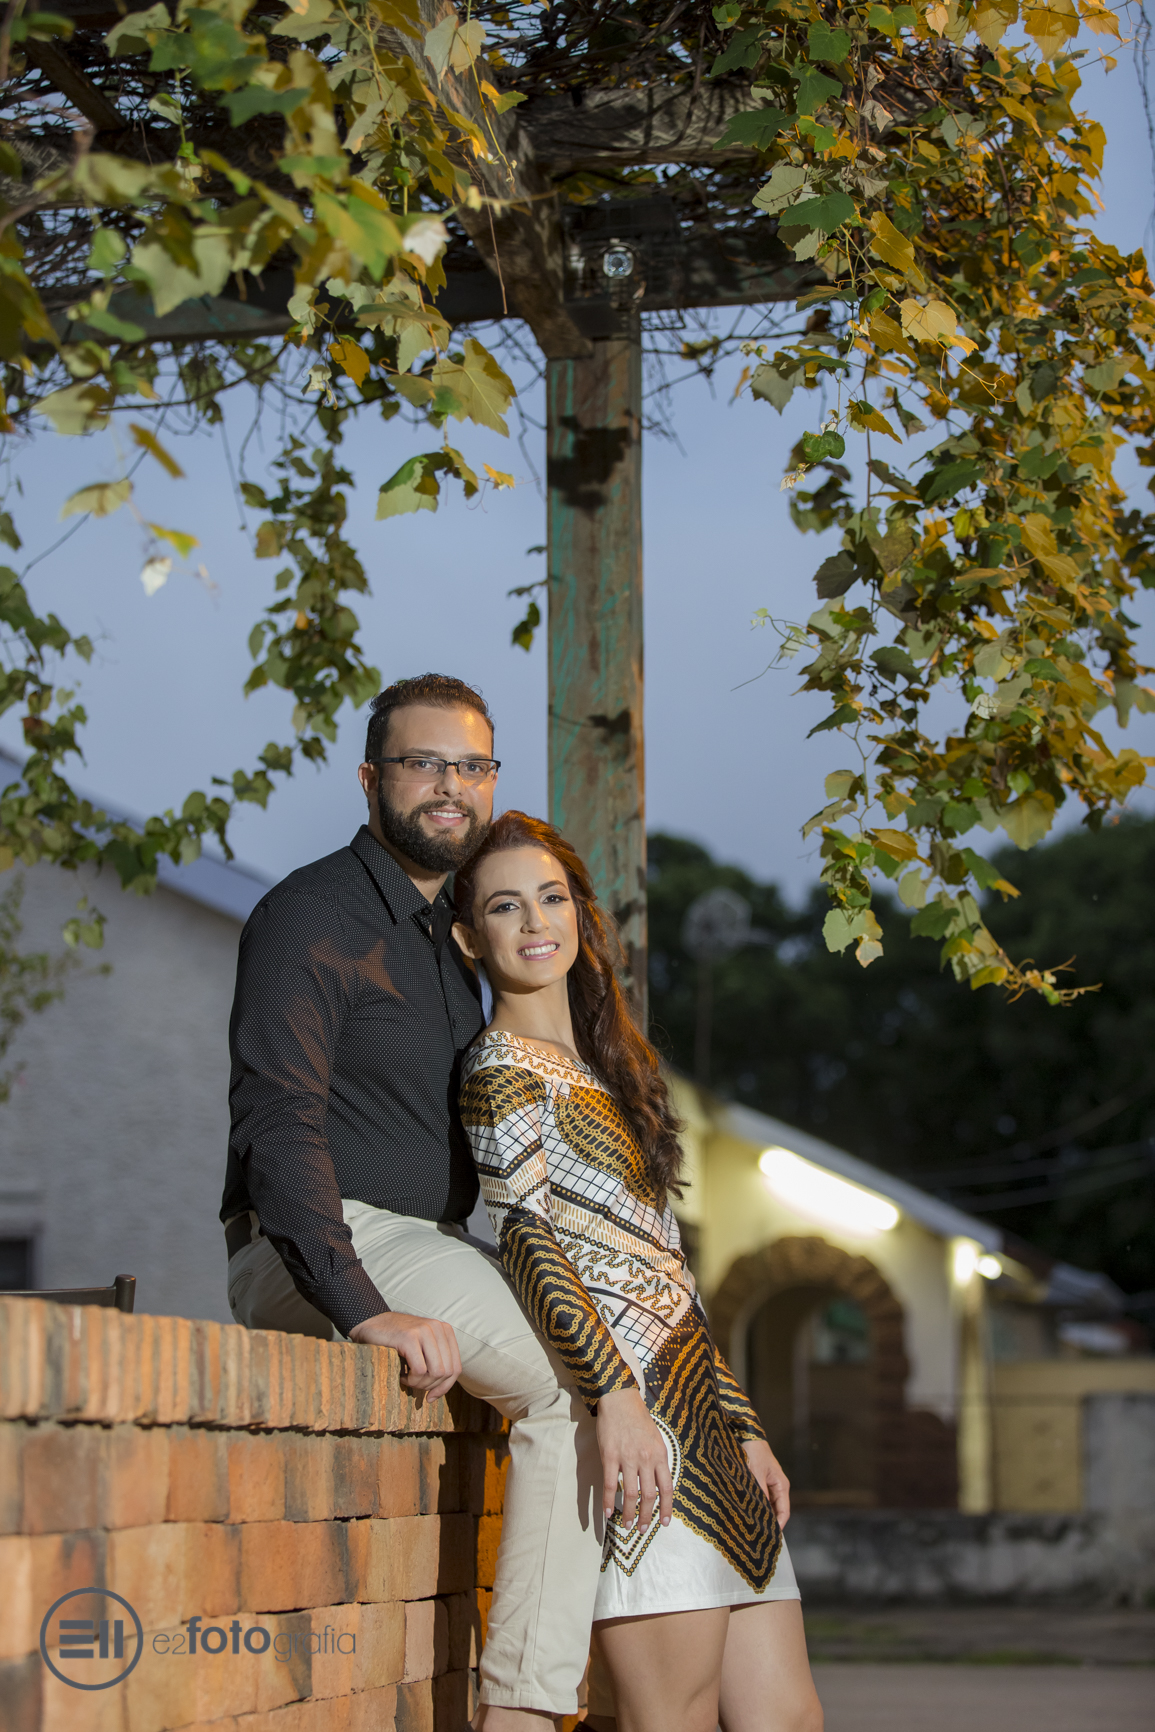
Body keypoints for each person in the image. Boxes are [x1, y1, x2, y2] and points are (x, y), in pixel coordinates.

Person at [221, 675, 605, 1732]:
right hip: (316, 1242)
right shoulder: (310, 915)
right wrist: (361, 1305)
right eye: (424, 763)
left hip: (430, 1241)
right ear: (371, 779)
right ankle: (526, 1711)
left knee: (614, 1365)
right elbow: (278, 1122)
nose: (450, 787)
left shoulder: (455, 942)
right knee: (575, 1388)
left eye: (472, 766)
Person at [452, 811, 824, 1732]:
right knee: (675, 1717)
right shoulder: (497, 1069)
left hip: (702, 1423)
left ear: (579, 913)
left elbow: (673, 1274)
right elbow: (527, 1241)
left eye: (552, 897)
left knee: (788, 1718)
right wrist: (614, 1402)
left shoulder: (616, 1072)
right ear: (471, 937)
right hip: (632, 1427)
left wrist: (741, 1426)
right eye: (506, 906)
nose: (537, 922)